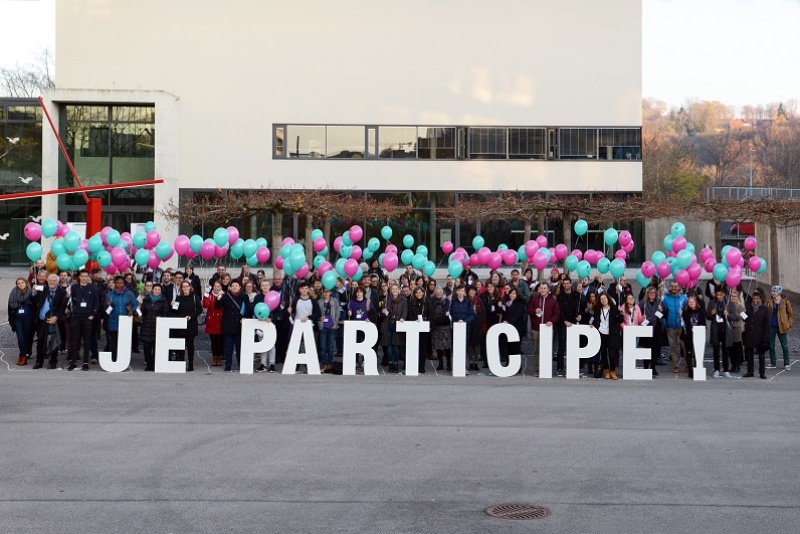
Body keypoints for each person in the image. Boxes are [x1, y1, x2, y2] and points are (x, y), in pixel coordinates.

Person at [31, 274, 68, 369]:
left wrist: (56, 317)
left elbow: (62, 307)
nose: (52, 282)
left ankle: (53, 362)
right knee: (40, 340)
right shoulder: (42, 290)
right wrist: (34, 293)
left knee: (53, 341)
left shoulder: (62, 292)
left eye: (54, 281)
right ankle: (39, 361)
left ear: (57, 282)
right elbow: (33, 301)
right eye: (50, 280)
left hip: (54, 320)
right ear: (47, 281)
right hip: (41, 321)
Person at [68, 269, 100, 371]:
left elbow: (96, 303)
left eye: (86, 276)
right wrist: (68, 295)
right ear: (79, 277)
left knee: (87, 340)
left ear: (88, 277)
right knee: (75, 340)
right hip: (76, 317)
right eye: (82, 276)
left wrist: (93, 314)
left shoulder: (93, 288)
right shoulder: (74, 287)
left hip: (87, 317)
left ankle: (85, 363)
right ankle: (73, 361)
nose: (84, 278)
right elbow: (69, 302)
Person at [527, 282, 560, 377]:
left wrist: (551, 321)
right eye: (541, 288)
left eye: (545, 288)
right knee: (537, 349)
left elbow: (557, 313)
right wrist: (535, 311)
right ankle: (537, 368)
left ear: (548, 289)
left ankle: (546, 368)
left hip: (547, 329)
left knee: (547, 349)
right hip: (536, 328)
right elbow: (529, 310)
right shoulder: (534, 299)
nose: (543, 290)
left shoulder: (553, 301)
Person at [288, 281, 321, 374]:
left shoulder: (313, 301)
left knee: (308, 347)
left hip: (310, 326)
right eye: (302, 288)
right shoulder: (296, 300)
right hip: (297, 326)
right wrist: (290, 310)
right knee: (297, 347)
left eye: (306, 288)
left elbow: (318, 314)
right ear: (299, 290)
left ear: (308, 290)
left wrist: (309, 317)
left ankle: (308, 366)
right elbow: (292, 311)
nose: (304, 290)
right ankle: (296, 366)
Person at [105, 276, 139, 365]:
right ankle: (114, 359)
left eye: (121, 283)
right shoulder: (110, 295)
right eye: (118, 283)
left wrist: (132, 311)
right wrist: (108, 305)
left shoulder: (129, 294)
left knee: (124, 341)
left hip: (126, 321)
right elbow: (106, 310)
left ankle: (123, 360)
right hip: (114, 321)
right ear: (115, 283)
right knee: (114, 341)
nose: (120, 284)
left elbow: (135, 304)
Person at [216, 280, 248, 372]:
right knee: (228, 347)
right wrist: (219, 297)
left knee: (239, 347)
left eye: (236, 286)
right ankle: (228, 364)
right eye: (232, 286)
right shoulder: (225, 296)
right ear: (230, 287)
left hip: (239, 325)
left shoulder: (244, 296)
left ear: (240, 287)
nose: (234, 287)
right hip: (228, 325)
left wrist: (245, 317)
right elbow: (217, 307)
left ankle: (240, 364)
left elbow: (247, 309)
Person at [173, 280, 203, 371]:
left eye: (187, 286)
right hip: (180, 324)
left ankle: (191, 363)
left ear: (190, 287)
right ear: (181, 288)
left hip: (191, 324)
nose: (185, 288)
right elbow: (175, 311)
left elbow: (199, 309)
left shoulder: (195, 297)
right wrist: (173, 305)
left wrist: (191, 316)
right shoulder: (178, 298)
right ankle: (181, 361)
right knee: (181, 345)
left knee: (190, 345)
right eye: (184, 286)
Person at [593, 293, 623, 380]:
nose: (603, 300)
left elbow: (620, 320)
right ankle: (607, 370)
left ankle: (612, 371)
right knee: (603, 353)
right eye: (601, 299)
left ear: (608, 298)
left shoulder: (614, 308)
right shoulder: (598, 309)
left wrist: (620, 312)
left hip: (611, 334)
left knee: (612, 354)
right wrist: (593, 325)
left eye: (604, 298)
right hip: (601, 332)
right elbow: (595, 320)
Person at [556, 278, 581, 376]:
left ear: (571, 284)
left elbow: (579, 308)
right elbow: (560, 310)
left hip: (573, 323)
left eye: (568, 283)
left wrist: (579, 315)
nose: (566, 285)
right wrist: (565, 321)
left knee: (573, 346)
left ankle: (572, 367)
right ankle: (560, 368)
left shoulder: (576, 295)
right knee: (562, 346)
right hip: (562, 324)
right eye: (564, 284)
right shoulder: (560, 296)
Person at [139, 283, 167, 371]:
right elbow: (142, 311)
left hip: (157, 327)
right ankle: (148, 364)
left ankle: (154, 364)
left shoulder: (163, 301)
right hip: (146, 327)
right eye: (155, 289)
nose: (157, 291)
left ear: (161, 291)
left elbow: (165, 314)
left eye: (159, 290)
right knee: (146, 348)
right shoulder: (146, 300)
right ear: (152, 290)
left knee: (156, 348)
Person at [743, 289, 770, 379]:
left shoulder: (764, 309)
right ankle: (750, 371)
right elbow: (745, 319)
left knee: (761, 355)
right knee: (749, 354)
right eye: (754, 299)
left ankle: (762, 373)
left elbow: (767, 325)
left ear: (760, 299)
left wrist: (765, 338)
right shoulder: (748, 307)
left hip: (760, 335)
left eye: (757, 299)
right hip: (750, 334)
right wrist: (742, 313)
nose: (755, 300)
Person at [662, 281, 688, 374]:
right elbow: (663, 312)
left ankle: (687, 363)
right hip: (670, 327)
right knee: (673, 347)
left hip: (682, 327)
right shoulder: (666, 299)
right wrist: (665, 324)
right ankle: (675, 364)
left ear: (679, 287)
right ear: (670, 287)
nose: (674, 288)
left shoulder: (684, 298)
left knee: (684, 346)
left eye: (676, 286)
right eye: (672, 286)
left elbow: (688, 311)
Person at [765, 285, 793, 370]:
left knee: (784, 345)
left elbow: (790, 314)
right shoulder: (769, 301)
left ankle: (787, 364)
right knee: (771, 345)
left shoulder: (785, 302)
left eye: (775, 291)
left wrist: (789, 324)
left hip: (782, 326)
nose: (773, 293)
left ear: (779, 292)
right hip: (771, 326)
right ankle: (773, 363)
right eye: (772, 291)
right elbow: (764, 311)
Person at [638, 286, 664, 376]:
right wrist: (642, 317)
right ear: (647, 293)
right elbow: (638, 312)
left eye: (654, 293)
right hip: (646, 329)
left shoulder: (659, 302)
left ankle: (653, 368)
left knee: (655, 350)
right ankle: (645, 367)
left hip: (656, 329)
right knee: (646, 349)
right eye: (650, 292)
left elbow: (663, 315)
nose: (652, 294)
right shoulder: (643, 303)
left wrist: (662, 310)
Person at [450, 285, 476, 374]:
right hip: (455, 328)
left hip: (465, 329)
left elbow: (472, 315)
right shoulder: (452, 302)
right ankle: (455, 368)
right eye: (459, 291)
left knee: (464, 349)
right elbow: (450, 314)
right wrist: (454, 320)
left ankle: (464, 367)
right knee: (455, 348)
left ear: (464, 292)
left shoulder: (468, 303)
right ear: (456, 292)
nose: (460, 292)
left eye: (462, 291)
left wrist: (465, 321)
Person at [8, 278, 34, 366]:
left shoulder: (30, 292)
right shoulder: (13, 292)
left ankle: (25, 354)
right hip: (17, 318)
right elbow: (10, 306)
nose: (20, 284)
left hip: (28, 317)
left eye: (22, 282)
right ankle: (22, 355)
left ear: (26, 283)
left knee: (27, 337)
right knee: (20, 338)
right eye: (18, 283)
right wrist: (10, 320)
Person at [680, 296, 705, 378]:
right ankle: (690, 370)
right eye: (689, 302)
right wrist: (681, 315)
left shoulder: (700, 311)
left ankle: (697, 367)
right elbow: (683, 323)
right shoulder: (685, 312)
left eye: (692, 302)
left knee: (697, 352)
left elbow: (703, 322)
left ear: (696, 303)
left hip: (698, 334)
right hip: (688, 335)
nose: (691, 303)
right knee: (689, 352)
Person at [502, 287, 527, 367]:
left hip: (517, 328)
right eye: (511, 293)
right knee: (508, 346)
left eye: (514, 293)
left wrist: (508, 321)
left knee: (516, 347)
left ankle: (517, 365)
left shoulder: (520, 304)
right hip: (508, 328)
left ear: (517, 294)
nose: (512, 295)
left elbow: (517, 315)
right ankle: (508, 363)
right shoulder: (507, 303)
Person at [408, 286, 430, 373]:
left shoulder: (427, 302)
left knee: (423, 348)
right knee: (414, 347)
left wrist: (425, 321)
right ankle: (414, 365)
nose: (418, 294)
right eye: (417, 293)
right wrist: (414, 321)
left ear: (423, 293)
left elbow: (430, 314)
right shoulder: (411, 303)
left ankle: (421, 366)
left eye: (420, 292)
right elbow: (409, 315)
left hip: (424, 329)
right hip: (414, 328)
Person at [429, 286, 451, 371]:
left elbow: (446, 311)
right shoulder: (432, 301)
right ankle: (440, 363)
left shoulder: (446, 301)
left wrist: (442, 315)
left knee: (447, 346)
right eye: (437, 292)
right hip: (436, 327)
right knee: (438, 346)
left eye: (440, 292)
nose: (439, 294)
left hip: (445, 326)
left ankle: (448, 363)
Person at [466, 285, 485, 373]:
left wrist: (480, 320)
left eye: (474, 291)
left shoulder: (479, 301)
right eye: (471, 291)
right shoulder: (466, 301)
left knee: (477, 345)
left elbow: (483, 312)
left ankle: (476, 362)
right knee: (470, 346)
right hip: (469, 325)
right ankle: (470, 362)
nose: (472, 292)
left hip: (477, 325)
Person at [727, 292, 745, 373]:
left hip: (737, 329)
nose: (733, 298)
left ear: (738, 298)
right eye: (732, 296)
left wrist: (730, 314)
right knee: (731, 348)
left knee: (737, 347)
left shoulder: (740, 306)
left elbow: (740, 317)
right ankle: (733, 365)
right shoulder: (728, 305)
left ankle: (737, 365)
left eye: (734, 296)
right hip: (730, 328)